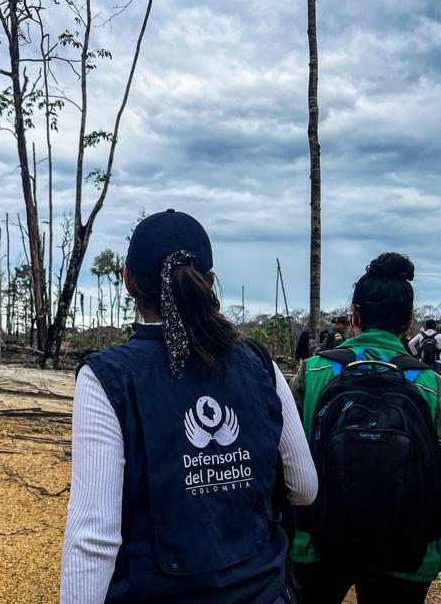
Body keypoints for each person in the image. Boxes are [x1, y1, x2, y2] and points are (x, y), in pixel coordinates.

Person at [61, 209, 317, 604]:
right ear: (209, 282)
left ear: (128, 281)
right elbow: (304, 488)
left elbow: (93, 539)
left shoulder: (106, 377)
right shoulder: (259, 362)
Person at [289, 253, 441, 604]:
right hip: (407, 548)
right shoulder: (430, 383)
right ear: (409, 322)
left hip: (318, 542)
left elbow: (286, 459)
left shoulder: (313, 372)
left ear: (354, 315)